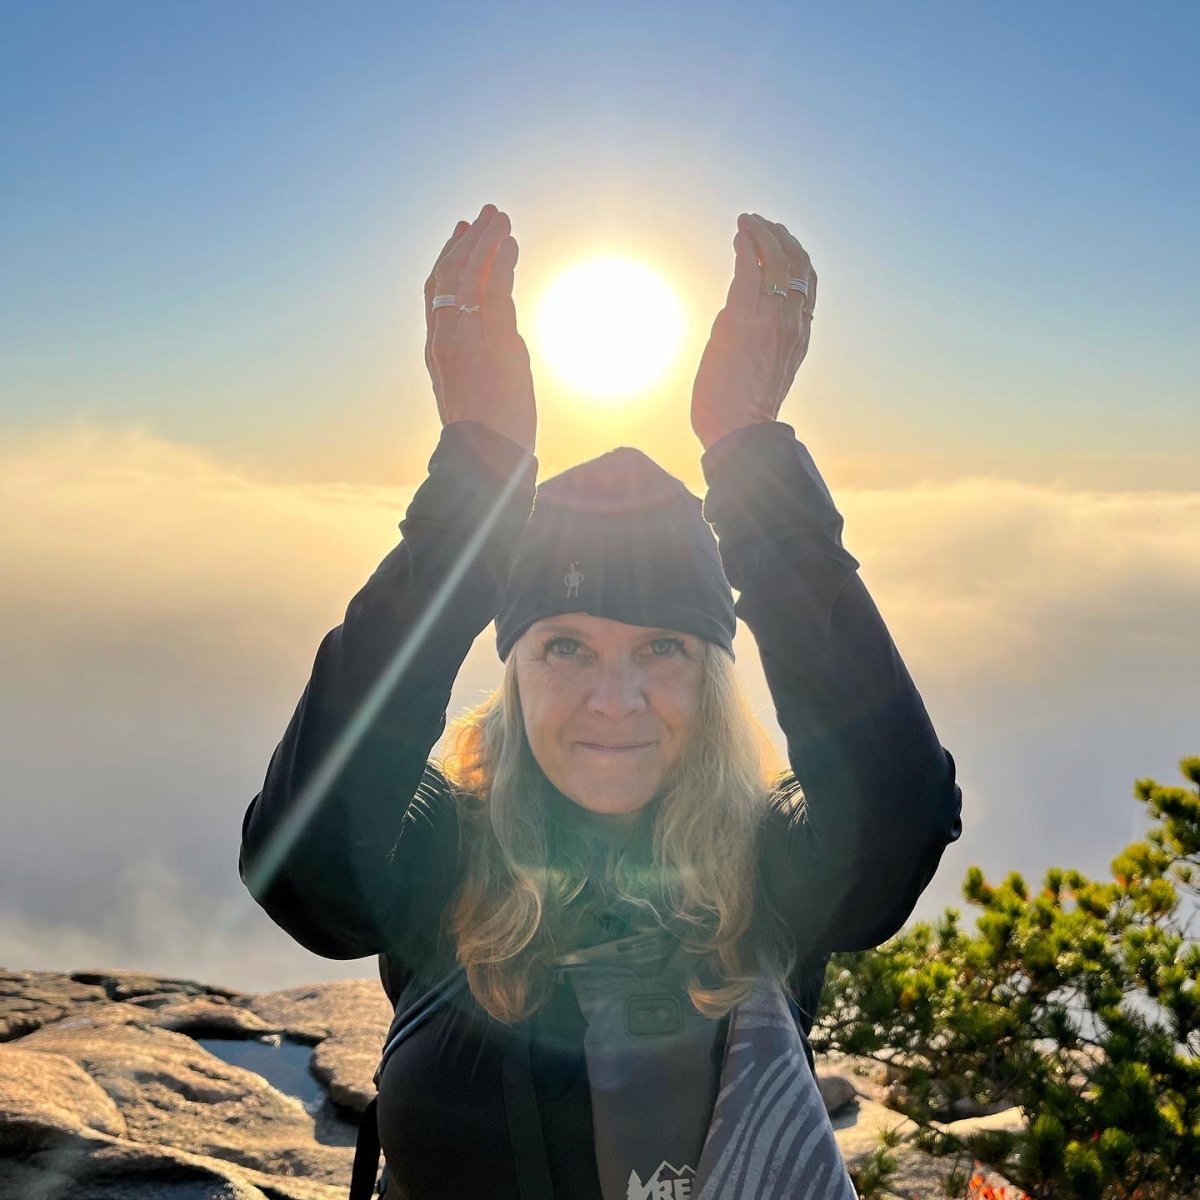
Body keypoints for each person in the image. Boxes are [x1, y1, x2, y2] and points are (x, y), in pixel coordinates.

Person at [239, 203, 964, 1200]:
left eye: (663, 647)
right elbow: (305, 865)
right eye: (567, 646)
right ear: (515, 668)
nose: (613, 700)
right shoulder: (447, 855)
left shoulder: (769, 865)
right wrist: (475, 481)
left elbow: (901, 814)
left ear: (711, 674)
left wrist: (753, 457)